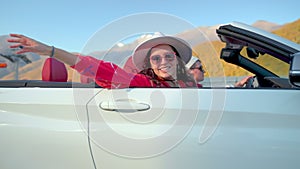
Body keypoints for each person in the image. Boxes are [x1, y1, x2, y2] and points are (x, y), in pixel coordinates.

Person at [7, 33, 197, 88]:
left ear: (178, 60)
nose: (163, 61)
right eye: (156, 58)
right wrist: (52, 51)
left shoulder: (190, 85)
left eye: (169, 56)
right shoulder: (146, 84)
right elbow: (102, 70)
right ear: (150, 65)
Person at [186, 56, 253, 88]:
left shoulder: (195, 88)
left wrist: (238, 85)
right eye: (200, 68)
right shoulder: (191, 90)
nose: (204, 71)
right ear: (189, 71)